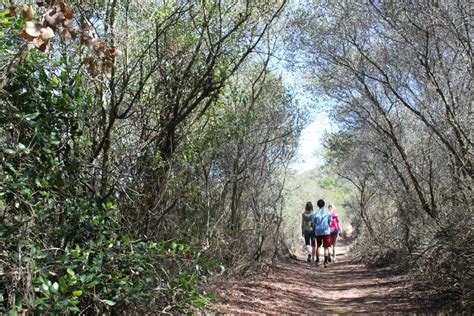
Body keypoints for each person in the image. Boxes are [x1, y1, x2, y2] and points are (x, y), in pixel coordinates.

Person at [312, 199, 332, 267]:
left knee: (318, 246)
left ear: (318, 205)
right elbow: (330, 222)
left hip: (318, 231)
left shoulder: (315, 213)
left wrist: (314, 229)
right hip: (326, 231)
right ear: (324, 204)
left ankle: (317, 261)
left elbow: (313, 223)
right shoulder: (328, 212)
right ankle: (325, 262)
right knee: (325, 247)